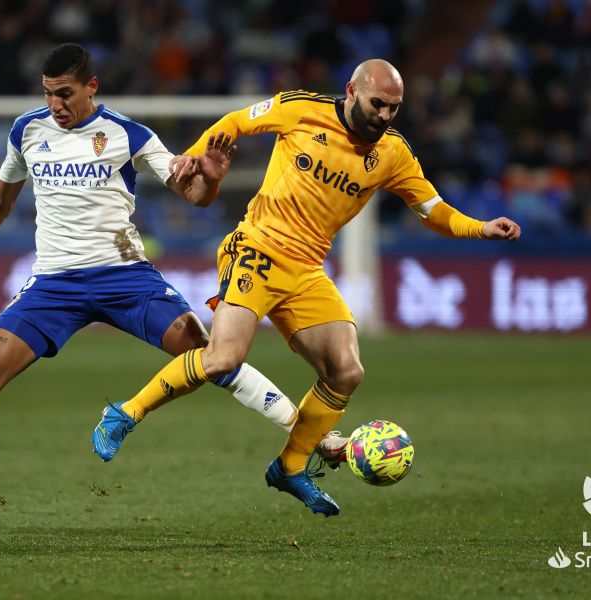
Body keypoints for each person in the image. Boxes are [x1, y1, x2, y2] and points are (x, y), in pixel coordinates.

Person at [0, 43, 298, 541]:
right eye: (49, 94)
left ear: (91, 87)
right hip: (54, 282)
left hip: (124, 277)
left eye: (66, 93)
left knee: (208, 353)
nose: (57, 104)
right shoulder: (27, 130)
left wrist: (211, 182)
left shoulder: (128, 134)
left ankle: (308, 433)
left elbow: (193, 194)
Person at [92, 59, 521, 517]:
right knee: (223, 358)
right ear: (351, 91)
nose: (386, 115)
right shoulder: (300, 108)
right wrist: (192, 155)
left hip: (307, 269)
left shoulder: (393, 154)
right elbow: (237, 121)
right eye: (379, 104)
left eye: (394, 108)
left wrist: (480, 228)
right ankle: (125, 412)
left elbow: (433, 210)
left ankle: (290, 467)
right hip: (256, 248)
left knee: (346, 370)